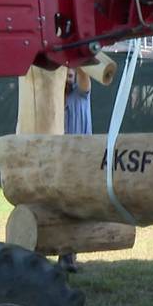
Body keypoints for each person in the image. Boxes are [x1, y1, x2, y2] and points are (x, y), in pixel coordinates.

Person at [58, 66, 92, 274]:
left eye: (71, 73)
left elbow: (85, 77)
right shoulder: (54, 100)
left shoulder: (81, 94)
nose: (69, 76)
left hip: (81, 160)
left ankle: (68, 256)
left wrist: (79, 60)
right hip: (60, 161)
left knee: (75, 208)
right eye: (65, 73)